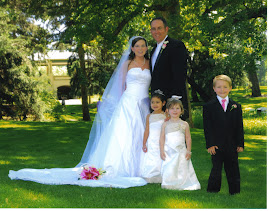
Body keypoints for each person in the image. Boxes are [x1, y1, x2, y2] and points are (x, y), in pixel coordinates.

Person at [9, 36, 152, 188]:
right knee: (126, 135)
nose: (140, 48)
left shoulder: (150, 64)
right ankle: (122, 168)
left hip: (144, 104)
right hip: (128, 104)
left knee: (144, 134)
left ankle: (146, 168)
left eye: (143, 45)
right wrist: (115, 106)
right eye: (137, 46)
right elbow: (120, 86)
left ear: (147, 48)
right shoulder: (127, 64)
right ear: (132, 48)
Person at [203, 75, 244, 195]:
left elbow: (239, 127)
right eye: (219, 87)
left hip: (231, 144)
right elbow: (208, 128)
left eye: (225, 87)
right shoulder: (208, 106)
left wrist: (240, 144)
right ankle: (213, 190)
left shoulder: (236, 106)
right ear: (214, 88)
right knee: (216, 168)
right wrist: (210, 144)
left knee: (233, 168)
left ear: (230, 88)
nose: (222, 90)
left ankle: (235, 191)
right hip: (216, 144)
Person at [150, 17, 189, 120]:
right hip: (157, 104)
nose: (156, 32)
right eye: (153, 29)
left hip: (171, 104)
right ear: (150, 31)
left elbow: (180, 74)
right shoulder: (153, 50)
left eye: (159, 28)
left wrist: (173, 102)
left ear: (166, 29)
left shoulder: (176, 46)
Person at [159, 97, 200, 190]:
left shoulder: (185, 124)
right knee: (169, 166)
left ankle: (183, 182)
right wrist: (161, 150)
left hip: (181, 150)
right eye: (172, 108)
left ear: (181, 111)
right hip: (168, 150)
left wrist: (188, 151)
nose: (175, 111)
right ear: (167, 110)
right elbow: (162, 138)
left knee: (182, 166)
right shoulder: (165, 124)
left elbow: (188, 138)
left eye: (177, 108)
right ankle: (169, 182)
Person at [141, 89, 166, 183]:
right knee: (152, 156)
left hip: (162, 140)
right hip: (151, 140)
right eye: (152, 102)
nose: (154, 104)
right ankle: (150, 175)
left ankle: (161, 174)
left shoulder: (165, 115)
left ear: (163, 103)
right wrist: (144, 143)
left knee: (161, 156)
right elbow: (147, 130)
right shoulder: (149, 116)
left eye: (157, 102)